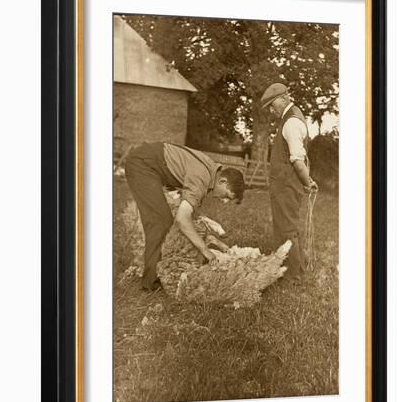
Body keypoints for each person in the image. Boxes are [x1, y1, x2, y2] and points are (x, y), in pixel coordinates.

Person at [125, 141, 245, 291]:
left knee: (167, 219)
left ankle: (160, 268)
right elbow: (183, 219)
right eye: (227, 195)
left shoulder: (210, 171)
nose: (225, 202)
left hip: (153, 163)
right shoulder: (201, 178)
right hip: (143, 165)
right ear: (223, 181)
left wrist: (215, 236)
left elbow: (191, 210)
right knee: (160, 222)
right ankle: (151, 281)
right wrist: (205, 250)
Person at [260, 83, 317, 282]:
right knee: (288, 226)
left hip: (286, 185)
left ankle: (293, 276)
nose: (270, 110)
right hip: (285, 184)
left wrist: (307, 182)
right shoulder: (291, 118)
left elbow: (297, 160)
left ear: (282, 99)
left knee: (287, 228)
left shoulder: (291, 123)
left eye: (270, 104)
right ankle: (293, 268)